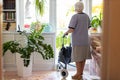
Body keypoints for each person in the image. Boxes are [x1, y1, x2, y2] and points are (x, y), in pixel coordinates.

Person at [64, 1, 91, 80]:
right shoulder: (86, 16)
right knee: (83, 57)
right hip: (85, 41)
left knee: (78, 57)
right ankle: (80, 73)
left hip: (77, 41)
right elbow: (88, 27)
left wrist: (66, 32)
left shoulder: (75, 16)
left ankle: (78, 74)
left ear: (76, 7)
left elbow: (71, 29)